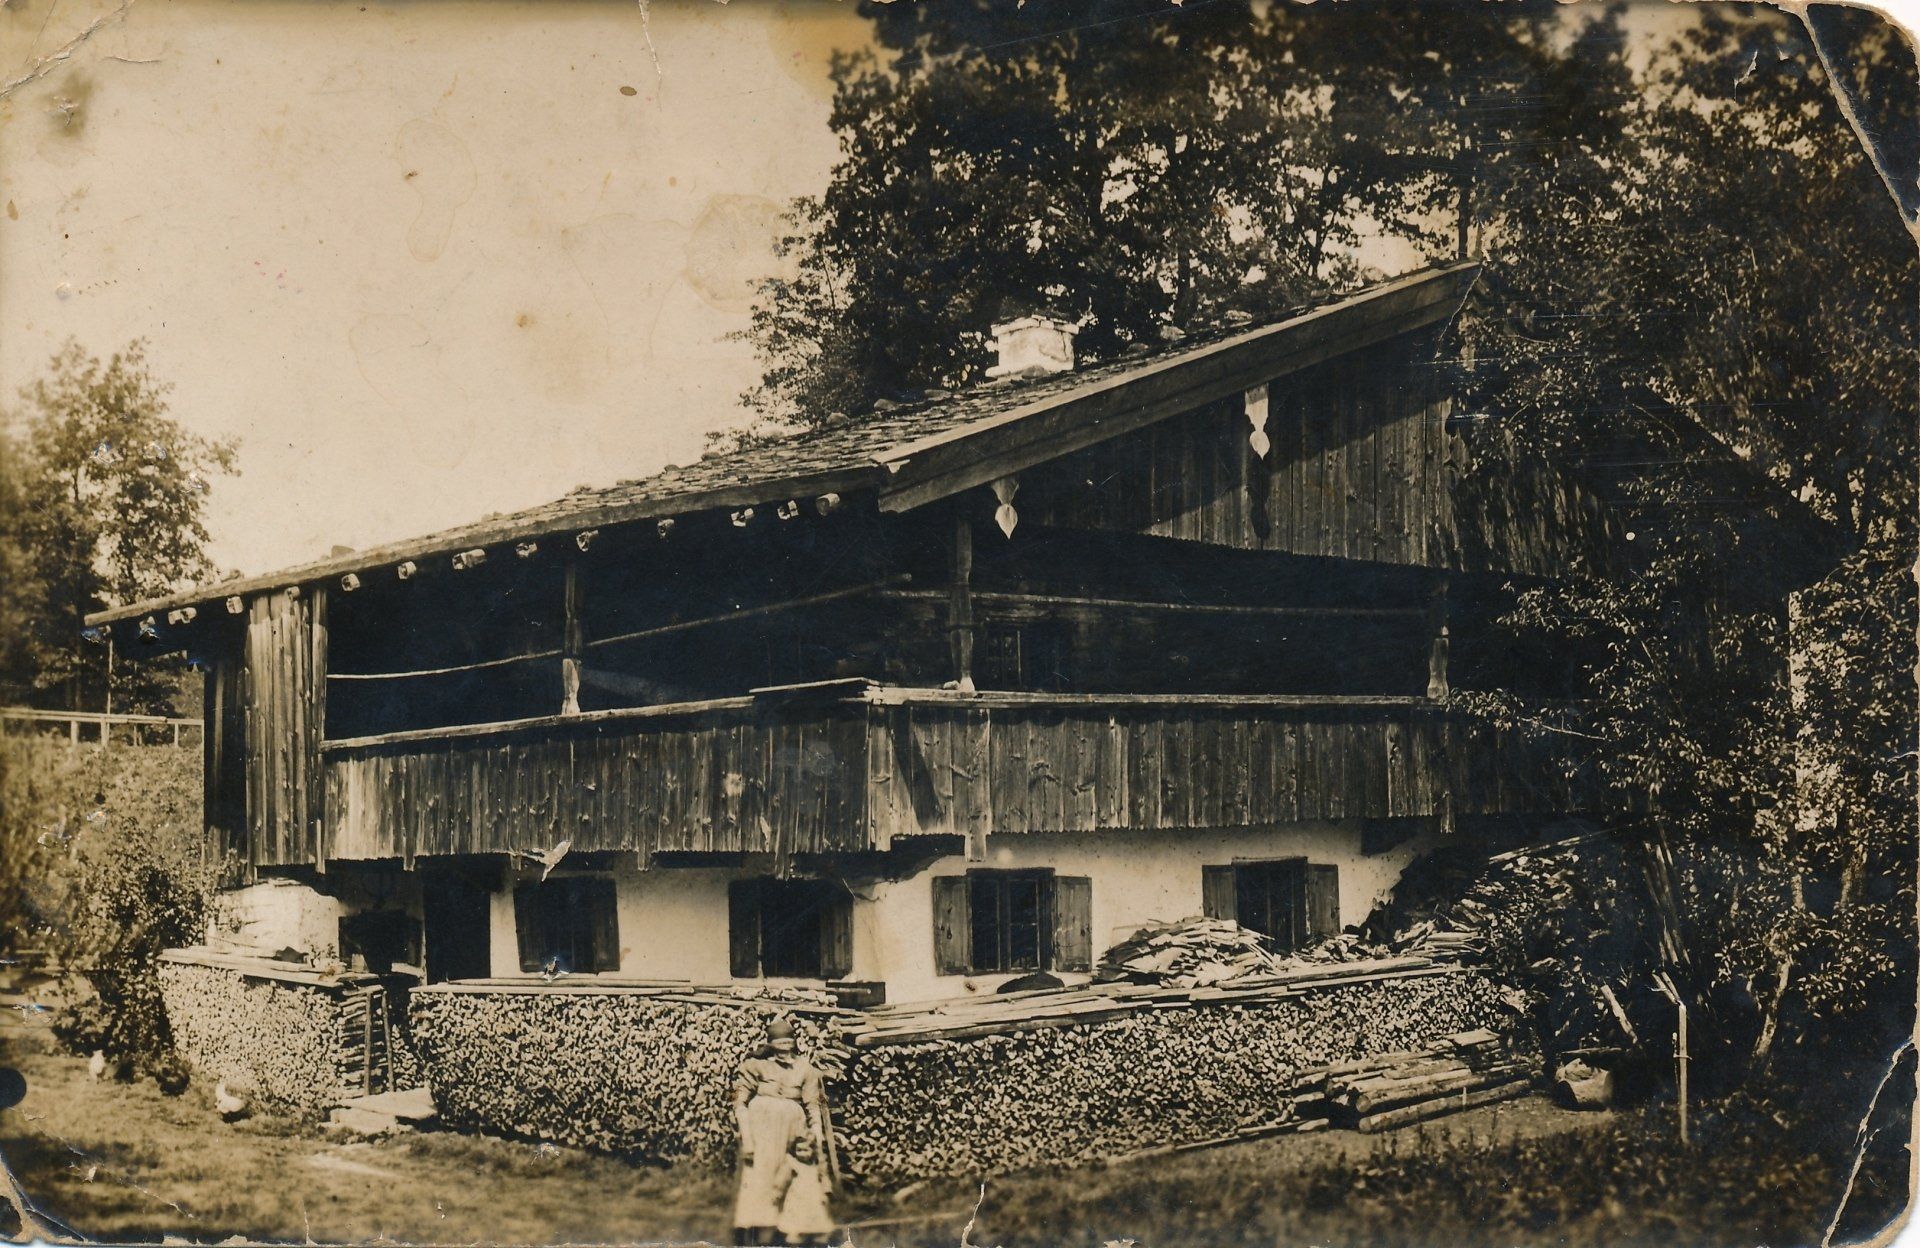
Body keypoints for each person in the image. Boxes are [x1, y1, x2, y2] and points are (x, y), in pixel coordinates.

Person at [731, 1015, 828, 1247]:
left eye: (788, 1044)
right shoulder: (757, 1065)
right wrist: (747, 1136)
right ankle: (755, 1230)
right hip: (761, 1128)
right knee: (760, 1176)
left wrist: (816, 1131)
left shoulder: (805, 1069)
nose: (784, 1050)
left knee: (794, 1175)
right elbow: (740, 1102)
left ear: (794, 1044)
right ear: (771, 1045)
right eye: (779, 1045)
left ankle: (791, 1229)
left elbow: (812, 1104)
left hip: (793, 1130)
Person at [773, 1136, 835, 1246]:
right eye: (799, 1150)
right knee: (797, 1222)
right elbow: (782, 1178)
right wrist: (777, 1192)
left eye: (805, 1150)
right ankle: (796, 1240)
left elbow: (824, 1178)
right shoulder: (793, 1164)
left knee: (816, 1220)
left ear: (812, 1150)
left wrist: (826, 1192)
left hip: (814, 1197)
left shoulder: (817, 1165)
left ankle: (815, 1239)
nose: (802, 1153)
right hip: (797, 1197)